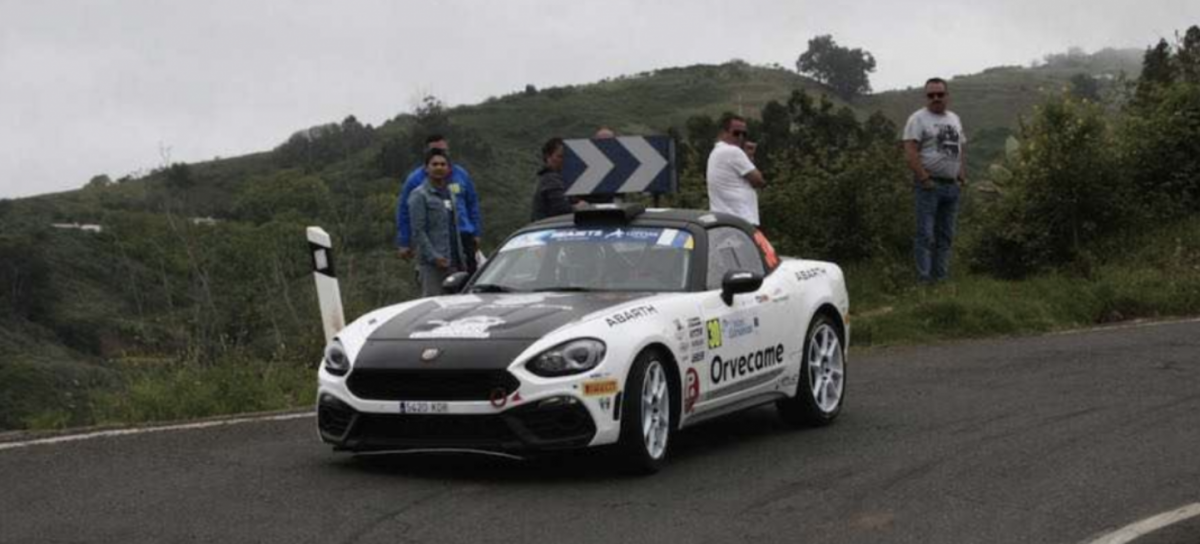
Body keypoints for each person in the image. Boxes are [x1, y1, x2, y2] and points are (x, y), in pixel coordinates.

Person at [903, 77, 967, 284]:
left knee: (946, 236)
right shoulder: (917, 119)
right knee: (926, 235)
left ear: (947, 95)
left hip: (951, 186)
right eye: (931, 95)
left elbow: (960, 147)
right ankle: (924, 280)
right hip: (929, 185)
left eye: (940, 94)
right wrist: (924, 178)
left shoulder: (954, 118)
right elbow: (910, 152)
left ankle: (940, 279)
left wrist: (961, 173)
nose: (936, 98)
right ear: (926, 97)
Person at [395, 135, 484, 274]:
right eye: (435, 151)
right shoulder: (415, 180)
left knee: (467, 279)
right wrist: (404, 242)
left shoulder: (461, 174)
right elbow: (404, 211)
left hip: (463, 235)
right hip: (434, 239)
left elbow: (472, 203)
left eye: (443, 150)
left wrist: (476, 232)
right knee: (437, 279)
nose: (440, 154)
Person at [409, 148, 466, 297]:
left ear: (448, 169)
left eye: (443, 164)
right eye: (434, 164)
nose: (439, 167)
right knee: (434, 304)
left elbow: (454, 228)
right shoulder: (419, 195)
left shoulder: (450, 194)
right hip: (432, 266)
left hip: (454, 263)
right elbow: (418, 231)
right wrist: (434, 257)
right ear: (426, 168)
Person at [706, 114, 766, 226]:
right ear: (724, 133)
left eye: (744, 134)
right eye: (736, 133)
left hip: (724, 219)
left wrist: (748, 157)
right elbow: (759, 181)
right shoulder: (733, 151)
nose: (740, 137)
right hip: (740, 219)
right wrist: (748, 157)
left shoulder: (716, 152)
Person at [530, 137, 578, 221]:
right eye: (560, 156)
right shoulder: (551, 178)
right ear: (548, 156)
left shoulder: (552, 178)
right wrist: (579, 207)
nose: (565, 160)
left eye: (567, 156)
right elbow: (562, 209)